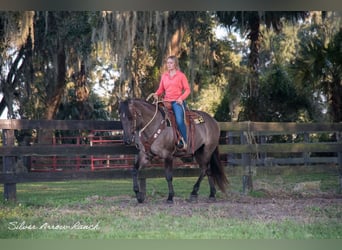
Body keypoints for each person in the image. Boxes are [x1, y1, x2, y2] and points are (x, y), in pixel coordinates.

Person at [153, 55, 191, 150]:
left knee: (179, 120)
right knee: (155, 114)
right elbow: (161, 89)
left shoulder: (181, 76)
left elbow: (187, 90)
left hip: (177, 102)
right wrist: (156, 94)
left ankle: (186, 141)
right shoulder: (164, 76)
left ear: (175, 64)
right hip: (166, 101)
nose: (168, 65)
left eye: (171, 63)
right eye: (167, 63)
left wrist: (181, 98)